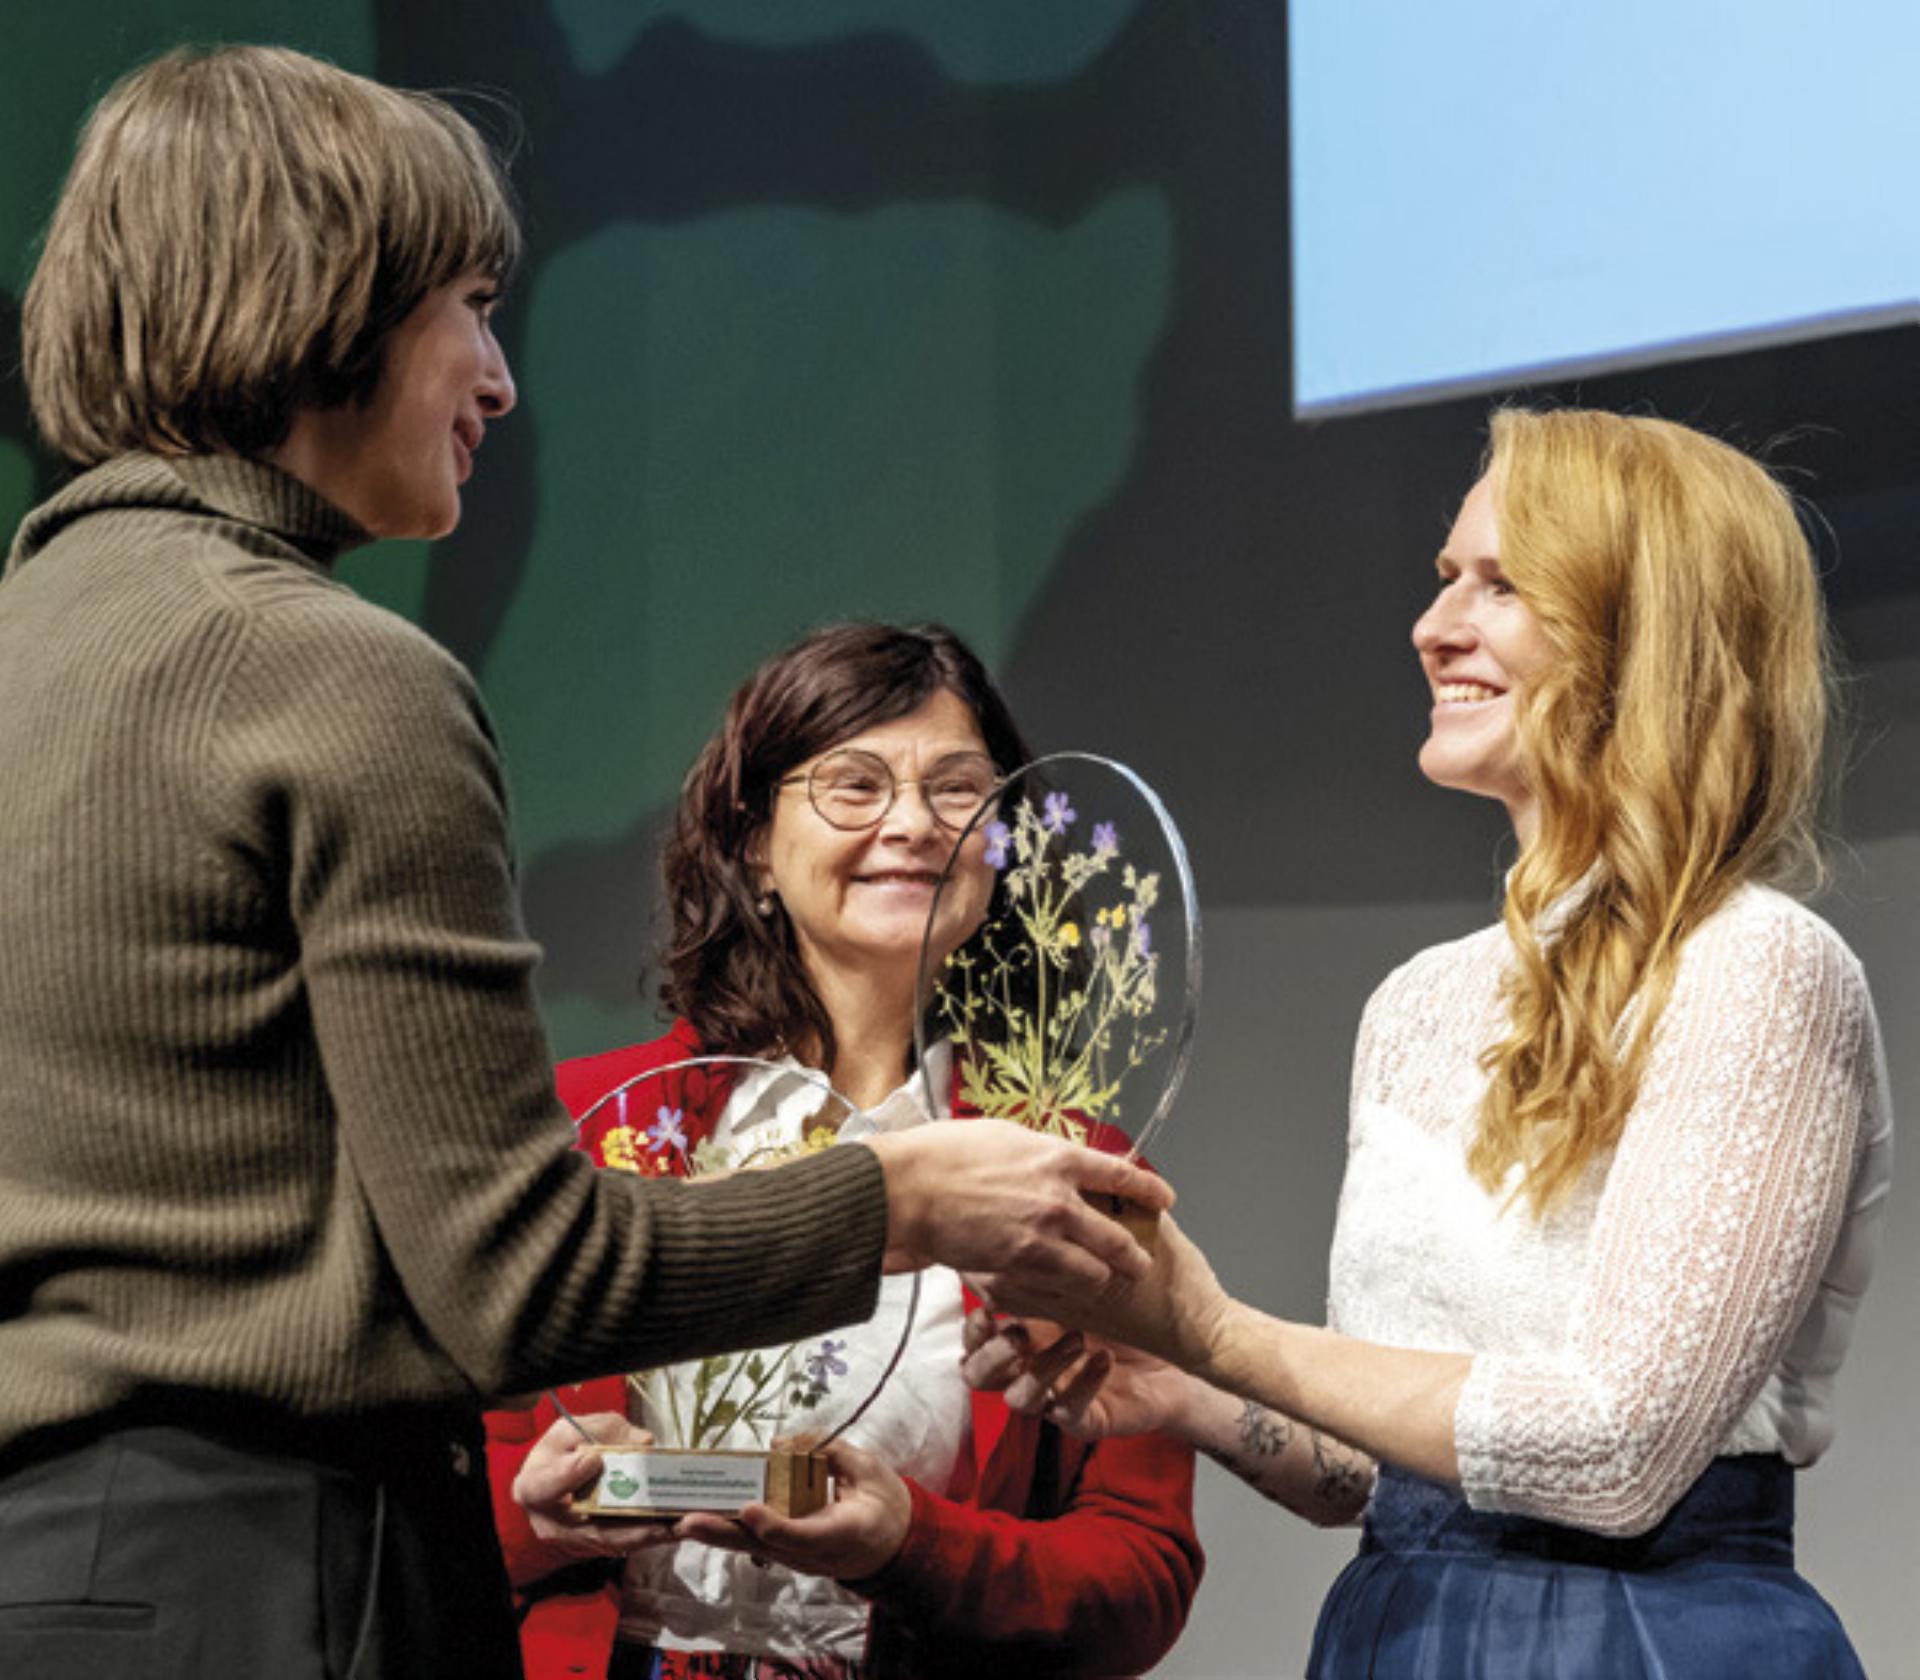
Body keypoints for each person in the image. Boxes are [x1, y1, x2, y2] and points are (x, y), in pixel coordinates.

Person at [0, 48, 1168, 1679]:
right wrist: (904, 1195)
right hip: (270, 1582)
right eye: (469, 305)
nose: (499, 377)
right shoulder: (336, 675)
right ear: (322, 302)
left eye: (958, 791)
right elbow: (516, 1286)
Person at [972, 408, 1892, 1676]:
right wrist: (1186, 1383)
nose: (1433, 625)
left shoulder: (1758, 967)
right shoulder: (1417, 1003)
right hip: (1402, 1631)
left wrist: (1223, 1330)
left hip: (1646, 1642)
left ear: (1643, 633)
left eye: (1502, 586)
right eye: (1445, 577)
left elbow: (1616, 1455)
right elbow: (1380, 1468)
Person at [491, 622, 1203, 1680]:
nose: (914, 824)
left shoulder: (1066, 1168)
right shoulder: (588, 1123)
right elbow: (419, 1488)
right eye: (854, 786)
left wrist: (911, 1544)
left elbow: (1140, 1577)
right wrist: (536, 1518)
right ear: (751, 849)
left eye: (959, 790)